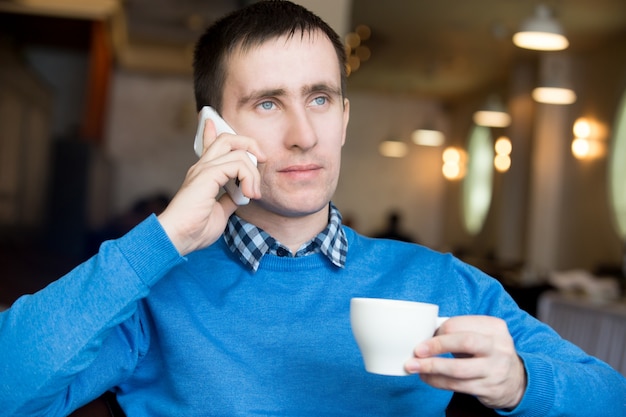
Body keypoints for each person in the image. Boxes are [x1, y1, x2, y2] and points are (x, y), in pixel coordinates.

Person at [1, 1, 625, 416]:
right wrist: (161, 238)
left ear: (345, 118)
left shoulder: (439, 280)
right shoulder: (153, 292)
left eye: (321, 98)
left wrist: (519, 382)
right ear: (213, 131)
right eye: (268, 103)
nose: (304, 134)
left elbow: (612, 395)